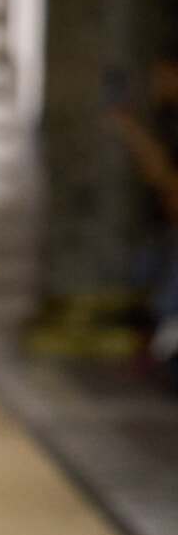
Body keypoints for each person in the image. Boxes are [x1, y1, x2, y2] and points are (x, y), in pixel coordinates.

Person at [108, 51, 178, 387]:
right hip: (166, 226)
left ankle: (160, 354)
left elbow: (165, 178)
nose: (157, 84)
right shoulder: (166, 119)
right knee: (143, 270)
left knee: (165, 293)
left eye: (163, 75)